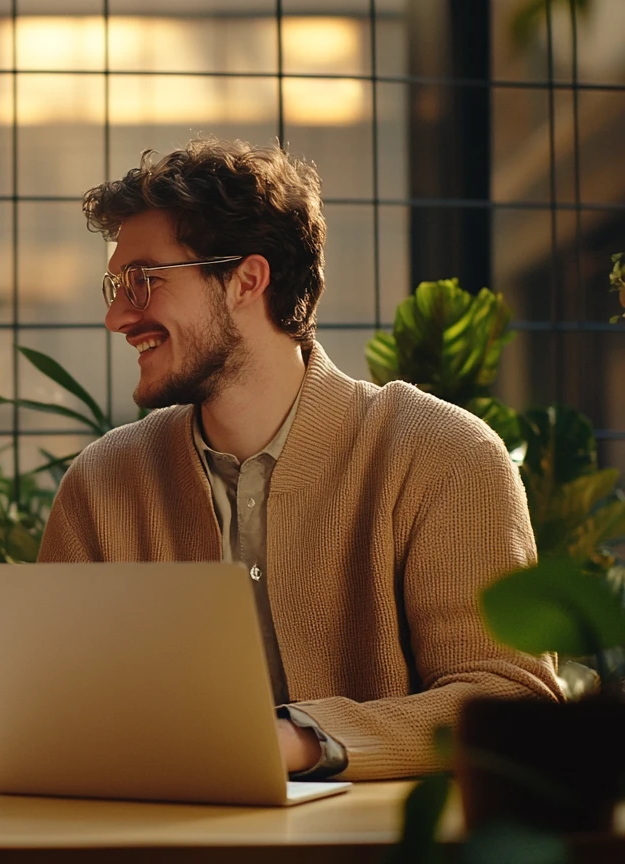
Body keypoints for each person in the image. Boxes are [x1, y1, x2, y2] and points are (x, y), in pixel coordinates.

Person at [37, 138, 561, 781]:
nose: (118, 315)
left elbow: (509, 698)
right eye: (116, 286)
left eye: (143, 281)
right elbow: (49, 716)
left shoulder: (443, 455)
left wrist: (297, 742)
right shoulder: (102, 481)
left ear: (246, 280)